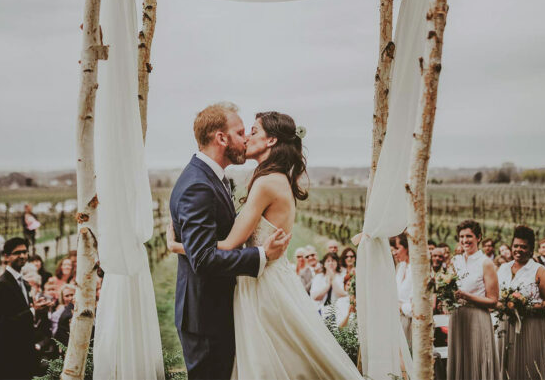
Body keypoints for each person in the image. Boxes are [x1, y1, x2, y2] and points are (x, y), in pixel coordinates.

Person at [167, 107, 359, 379]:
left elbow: (226, 245)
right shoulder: (275, 179)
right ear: (221, 138)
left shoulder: (267, 182)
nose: (246, 138)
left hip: (262, 287)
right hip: (259, 283)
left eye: (252, 132)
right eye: (242, 132)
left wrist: (178, 246)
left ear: (271, 141)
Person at [497, 225, 545, 379]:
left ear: (531, 250)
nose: (518, 249)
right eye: (515, 246)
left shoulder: (539, 270)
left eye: (523, 247)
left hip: (532, 325)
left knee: (530, 363)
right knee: (507, 364)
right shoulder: (503, 268)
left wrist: (527, 306)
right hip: (506, 324)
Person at [0, 237, 52, 379]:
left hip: (26, 352)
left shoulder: (24, 283)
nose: (23, 256)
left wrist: (39, 311)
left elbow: (25, 316)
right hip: (9, 354)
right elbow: (0, 322)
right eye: (17, 253)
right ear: (6, 256)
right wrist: (32, 311)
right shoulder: (2, 284)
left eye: (25, 252)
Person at [447, 220, 500, 380]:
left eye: (469, 236)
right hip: (457, 316)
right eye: (461, 236)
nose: (465, 240)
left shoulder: (486, 263)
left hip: (477, 317)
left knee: (478, 359)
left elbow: (493, 301)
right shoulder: (455, 261)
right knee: (460, 360)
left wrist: (466, 296)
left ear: (479, 237)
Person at [390, 232, 413, 347]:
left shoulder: (416, 270)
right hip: (398, 319)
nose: (394, 253)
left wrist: (401, 306)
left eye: (397, 248)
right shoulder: (401, 267)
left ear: (408, 247)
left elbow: (418, 305)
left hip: (411, 323)